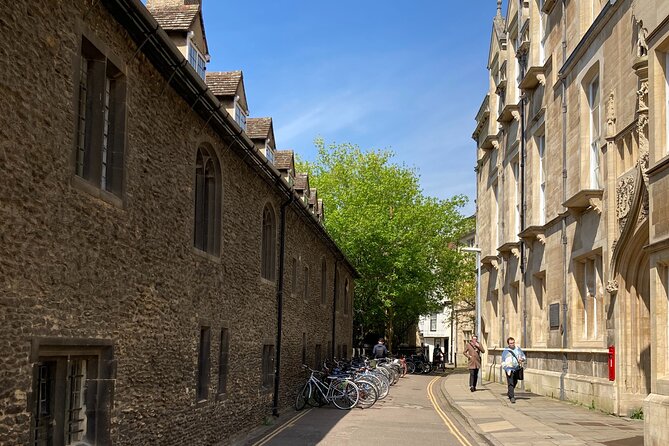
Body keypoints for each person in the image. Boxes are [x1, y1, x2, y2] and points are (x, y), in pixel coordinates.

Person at [501, 336, 526, 403]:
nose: (512, 344)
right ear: (508, 344)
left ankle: (509, 392)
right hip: (509, 369)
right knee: (510, 383)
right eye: (511, 343)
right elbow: (503, 361)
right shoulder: (506, 351)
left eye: (513, 343)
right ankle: (512, 397)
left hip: (516, 368)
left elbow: (523, 356)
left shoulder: (518, 349)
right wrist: (506, 368)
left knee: (515, 381)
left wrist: (522, 359)